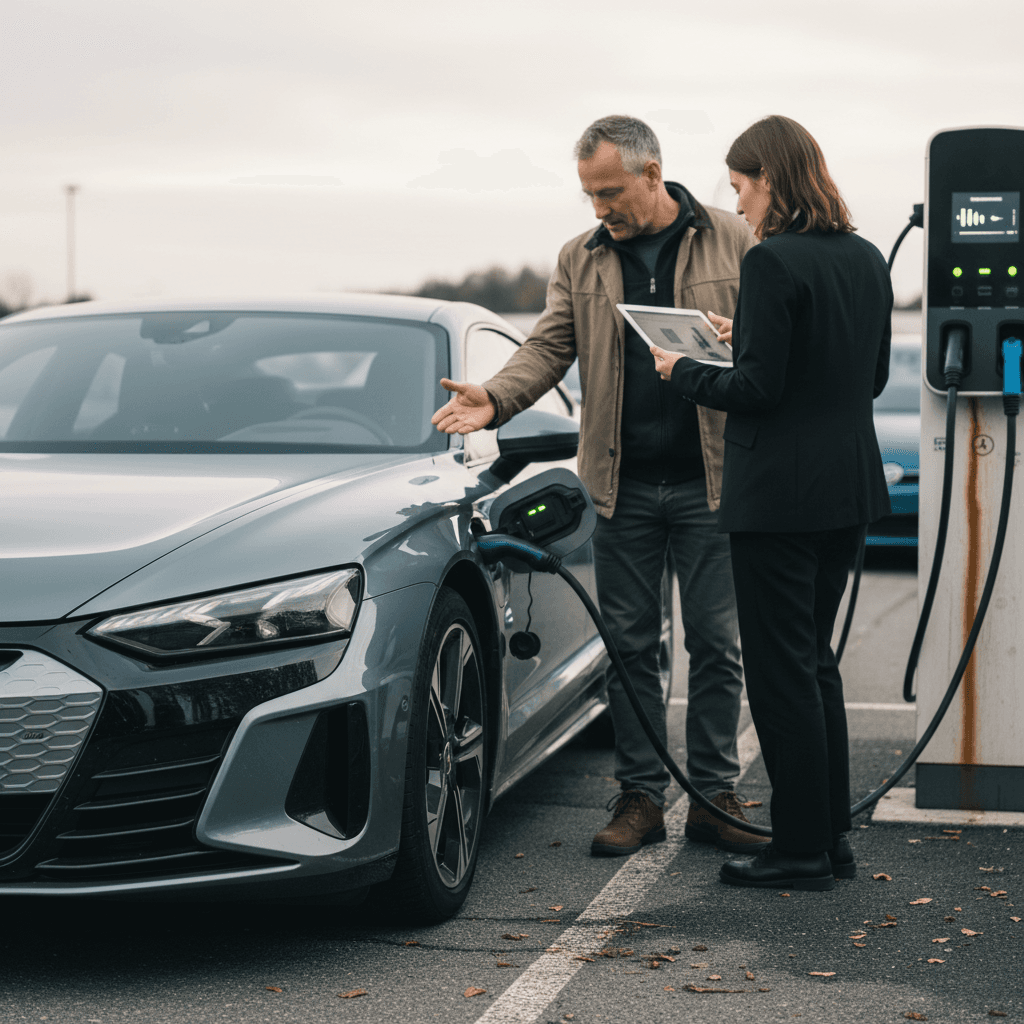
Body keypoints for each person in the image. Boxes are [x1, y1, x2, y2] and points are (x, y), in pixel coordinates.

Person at [431, 115, 767, 857]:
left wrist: (742, 340)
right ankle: (641, 796)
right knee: (629, 648)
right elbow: (551, 343)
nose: (599, 208)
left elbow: (771, 338)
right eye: (589, 194)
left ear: (653, 174)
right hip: (622, 487)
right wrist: (497, 396)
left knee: (717, 645)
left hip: (714, 482)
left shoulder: (731, 237)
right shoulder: (580, 256)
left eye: (610, 191)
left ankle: (715, 796)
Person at [651, 114, 893, 890]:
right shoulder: (863, 256)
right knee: (814, 667)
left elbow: (758, 389)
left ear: (772, 180)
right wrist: (742, 334)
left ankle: (799, 852)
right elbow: (868, 375)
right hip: (848, 487)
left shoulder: (771, 260)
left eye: (741, 187)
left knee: (781, 676)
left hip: (778, 499)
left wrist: (681, 369)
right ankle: (828, 841)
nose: (740, 204)